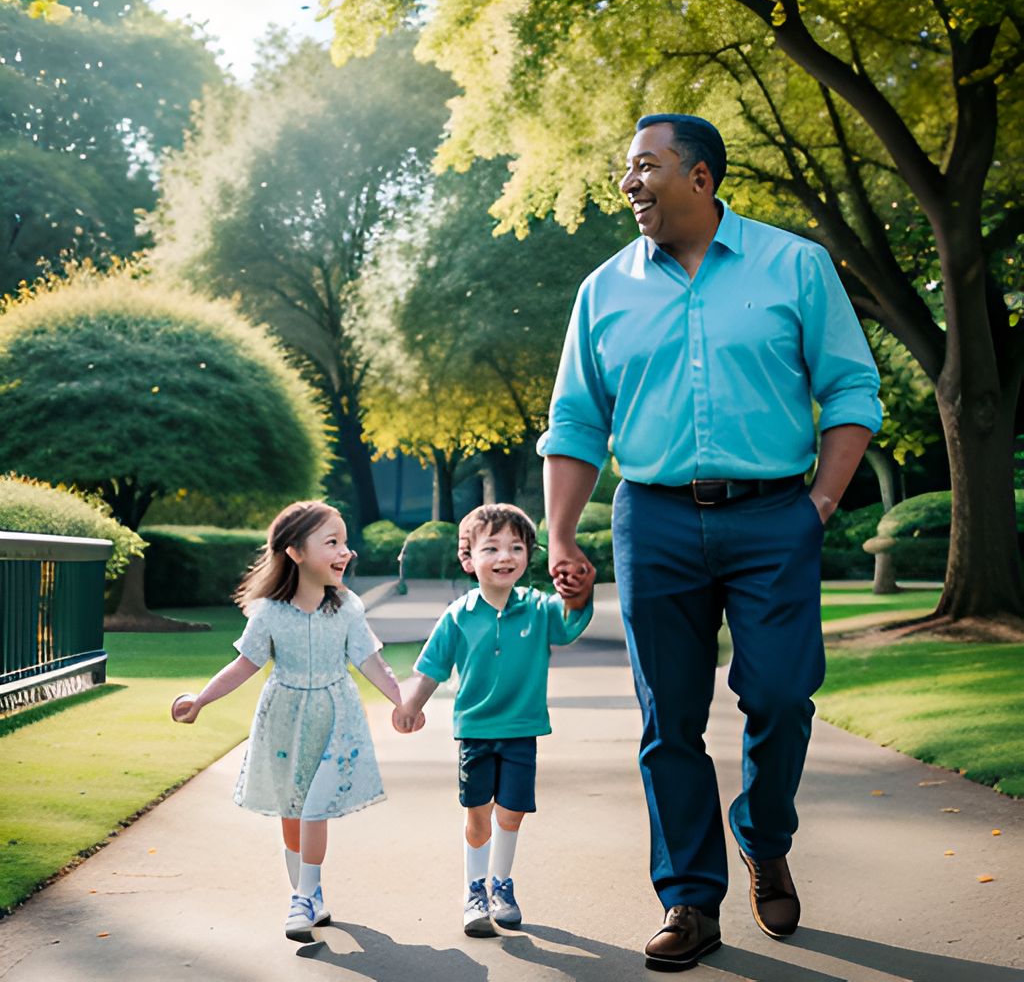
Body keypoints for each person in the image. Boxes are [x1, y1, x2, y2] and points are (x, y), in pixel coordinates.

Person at [538, 114, 883, 971]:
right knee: (669, 720)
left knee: (780, 694)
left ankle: (764, 836)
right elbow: (577, 421)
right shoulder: (603, 289)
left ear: (701, 177)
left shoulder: (795, 265)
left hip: (776, 516)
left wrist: (821, 505)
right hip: (652, 518)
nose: (630, 183)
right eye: (626, 169)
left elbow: (850, 388)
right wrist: (561, 536)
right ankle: (689, 899)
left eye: (645, 166)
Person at [171, 500, 422, 943]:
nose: (346, 552)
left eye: (345, 542)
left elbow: (371, 662)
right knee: (292, 811)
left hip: (335, 718)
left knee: (314, 808)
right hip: (284, 719)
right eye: (332, 542)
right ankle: (310, 890)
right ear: (295, 552)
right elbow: (244, 665)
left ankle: (302, 898)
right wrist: (201, 700)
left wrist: (405, 703)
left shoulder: (348, 607)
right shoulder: (268, 612)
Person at [393, 503, 595, 937]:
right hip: (476, 733)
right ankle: (475, 892)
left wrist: (580, 592)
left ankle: (502, 885)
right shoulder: (458, 616)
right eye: (492, 548)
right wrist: (411, 706)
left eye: (516, 547)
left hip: (522, 730)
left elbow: (570, 624)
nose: (505, 557)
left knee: (513, 812)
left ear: (528, 555)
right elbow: (430, 670)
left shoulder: (540, 609)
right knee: (479, 813)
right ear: (468, 559)